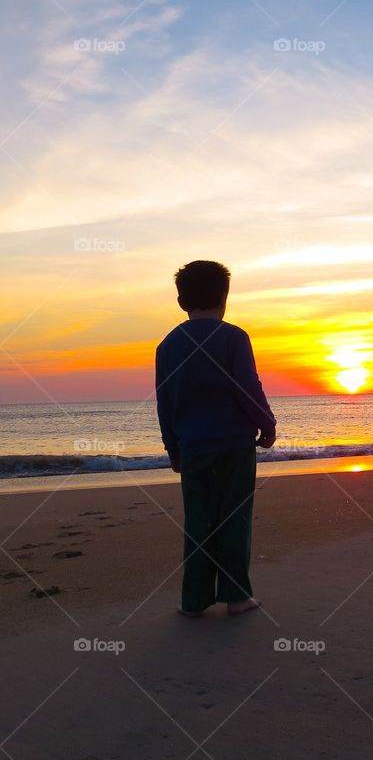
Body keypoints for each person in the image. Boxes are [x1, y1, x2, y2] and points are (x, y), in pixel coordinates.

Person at [155, 260, 276, 617]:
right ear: (225, 297)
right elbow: (247, 387)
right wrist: (266, 423)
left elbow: (165, 402)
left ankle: (194, 600)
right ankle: (236, 596)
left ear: (181, 301)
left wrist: (172, 447)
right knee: (234, 518)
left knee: (198, 522)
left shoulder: (167, 346)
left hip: (193, 448)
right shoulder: (233, 338)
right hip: (234, 445)